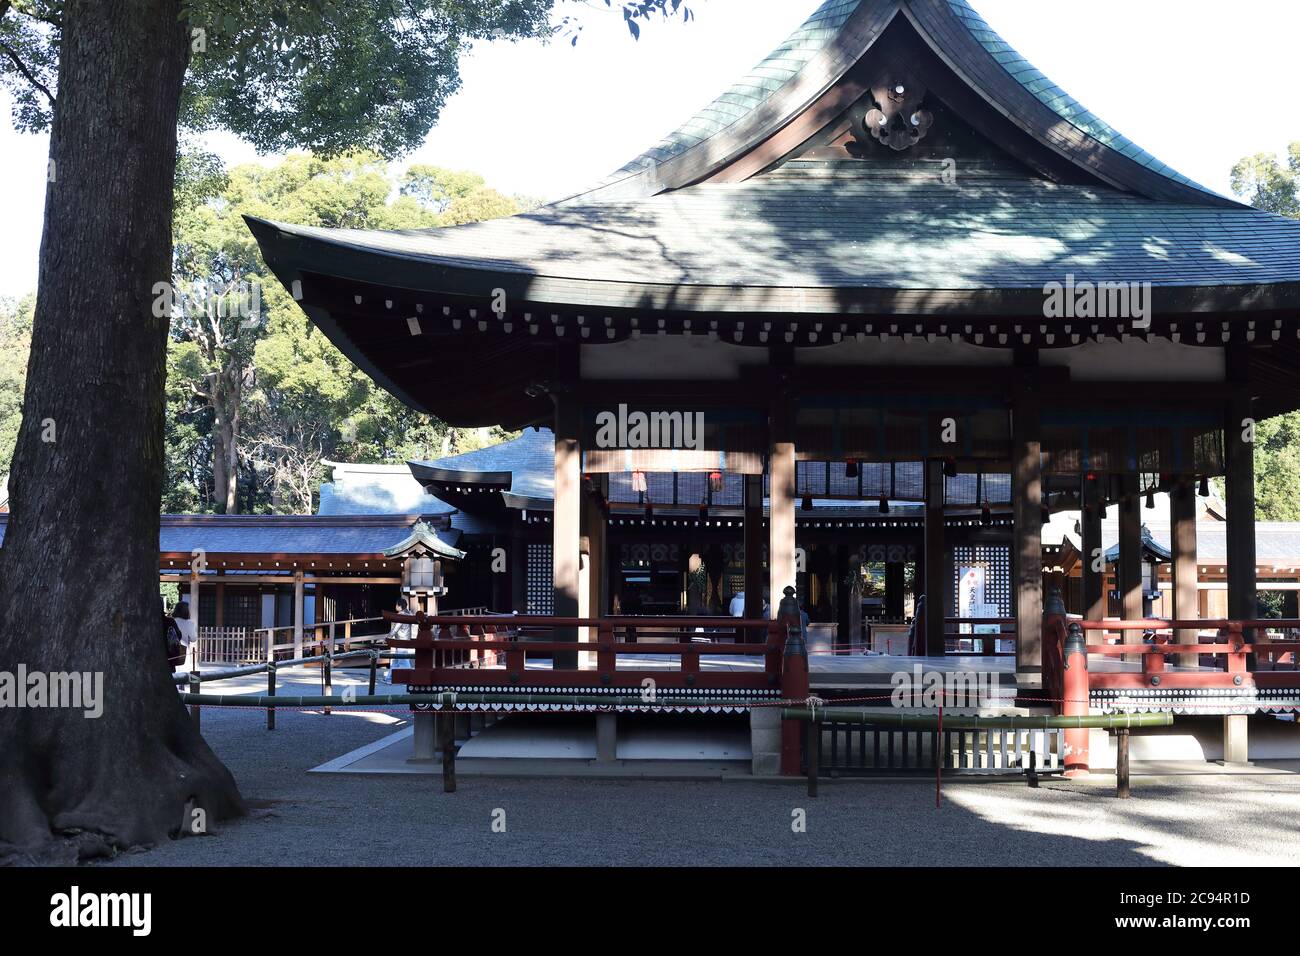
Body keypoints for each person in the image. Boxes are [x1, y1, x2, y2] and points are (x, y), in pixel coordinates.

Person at [383, 598, 413, 684]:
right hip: (405, 640)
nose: (395, 606)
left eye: (397, 605)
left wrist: (388, 637)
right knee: (396, 661)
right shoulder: (409, 614)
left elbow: (395, 629)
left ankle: (410, 678)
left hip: (401, 641)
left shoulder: (401, 616)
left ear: (400, 606)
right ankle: (389, 678)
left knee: (403, 661)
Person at [171, 601, 197, 673]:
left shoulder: (172, 621)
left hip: (171, 649)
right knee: (183, 672)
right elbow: (193, 639)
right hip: (184, 650)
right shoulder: (189, 623)